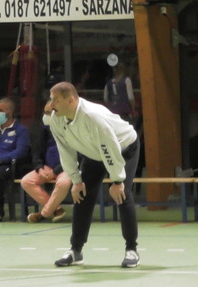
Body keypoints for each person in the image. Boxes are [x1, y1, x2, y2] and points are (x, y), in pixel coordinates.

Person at [48, 82, 140, 268]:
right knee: (81, 195)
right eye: (51, 100)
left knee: (122, 194)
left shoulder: (92, 116)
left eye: (55, 100)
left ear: (71, 100)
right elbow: (65, 150)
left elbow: (109, 148)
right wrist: (76, 180)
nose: (51, 105)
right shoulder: (56, 118)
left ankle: (132, 249)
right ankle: (76, 250)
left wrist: (117, 181)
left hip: (123, 147)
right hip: (93, 152)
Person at [22, 100, 71, 223]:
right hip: (47, 167)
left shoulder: (70, 129)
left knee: (63, 183)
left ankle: (44, 214)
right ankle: (57, 209)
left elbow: (74, 156)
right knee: (26, 181)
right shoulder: (43, 130)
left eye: (49, 113)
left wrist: (55, 171)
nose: (46, 116)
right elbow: (37, 153)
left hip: (66, 167)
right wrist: (39, 168)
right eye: (45, 112)